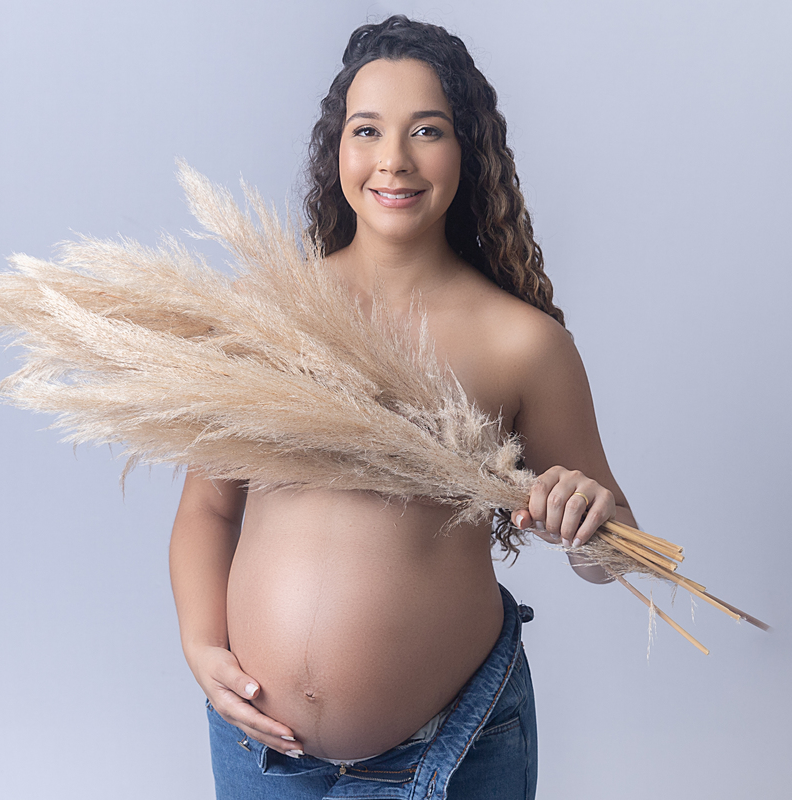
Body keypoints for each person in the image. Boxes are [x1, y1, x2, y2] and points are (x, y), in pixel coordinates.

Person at [169, 15, 636, 800]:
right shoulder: (267, 313)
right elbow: (208, 513)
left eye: (427, 130)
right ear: (337, 149)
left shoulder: (522, 345)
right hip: (260, 754)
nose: (394, 160)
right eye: (367, 130)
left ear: (468, 150)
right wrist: (199, 646)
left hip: (451, 755)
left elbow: (612, 554)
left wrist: (593, 520)